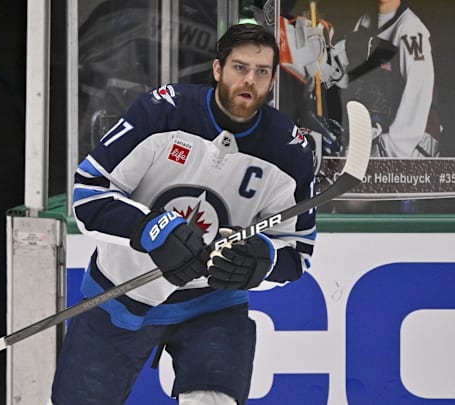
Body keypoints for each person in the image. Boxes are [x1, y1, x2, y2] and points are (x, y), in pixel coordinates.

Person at [51, 23, 316, 404]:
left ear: (273, 80)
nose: (249, 80)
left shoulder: (288, 150)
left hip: (213, 305)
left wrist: (264, 260)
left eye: (261, 72)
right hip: (120, 292)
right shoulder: (163, 112)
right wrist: (149, 228)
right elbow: (88, 192)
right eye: (240, 67)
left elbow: (298, 252)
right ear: (217, 69)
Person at [342, 0, 441, 158]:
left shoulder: (412, 30)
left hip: (412, 141)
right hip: (376, 132)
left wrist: (389, 148)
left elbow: (419, 95)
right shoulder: (365, 20)